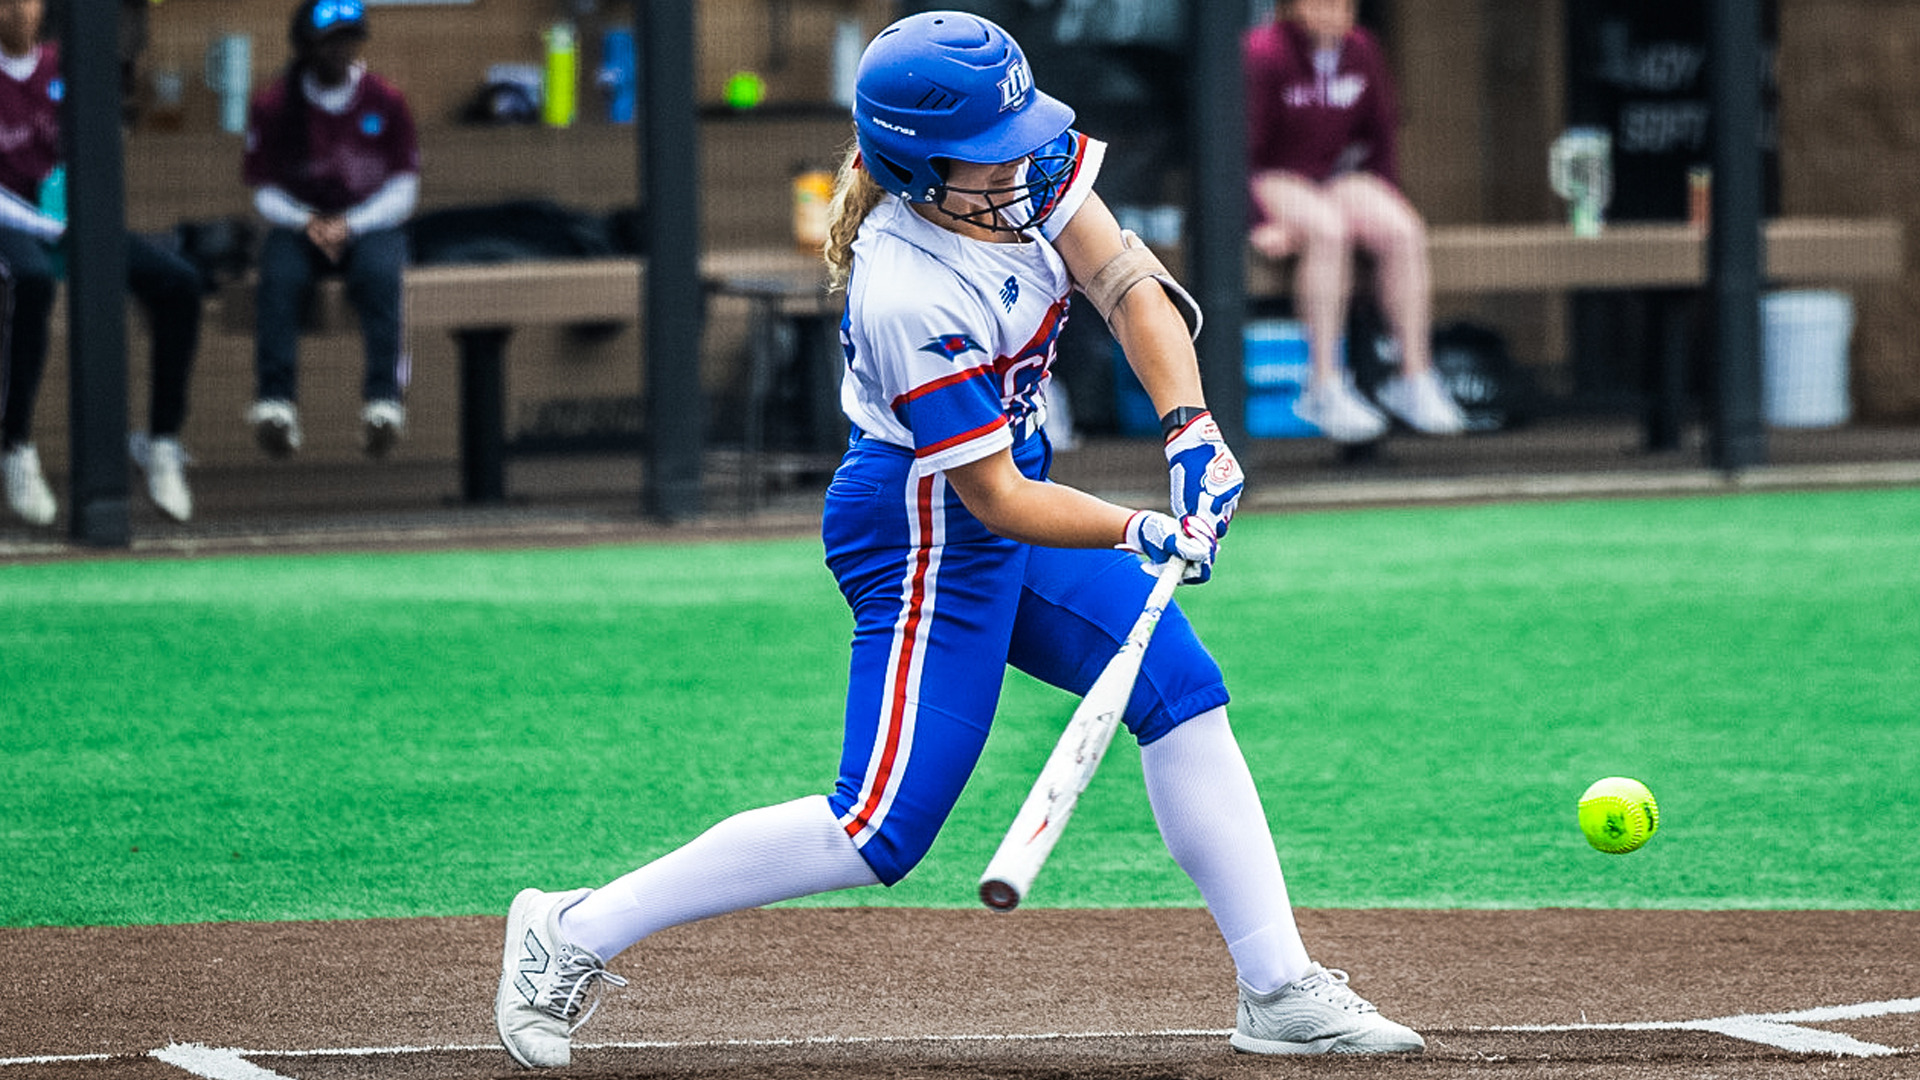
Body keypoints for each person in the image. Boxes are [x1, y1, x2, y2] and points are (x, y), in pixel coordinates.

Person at [492, 11, 1422, 1069]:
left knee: (1181, 691)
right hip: (921, 526)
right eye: (990, 154)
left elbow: (1124, 282)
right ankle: (570, 931)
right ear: (918, 167)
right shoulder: (908, 288)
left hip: (1007, 492)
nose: (1023, 164)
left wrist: (1190, 427)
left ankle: (1278, 987)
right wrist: (1139, 527)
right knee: (876, 828)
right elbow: (990, 502)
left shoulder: (1022, 163)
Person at [0, 0, 201, 525]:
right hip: (15, 227)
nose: (16, 10)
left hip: (76, 225)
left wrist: (79, 217)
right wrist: (46, 225)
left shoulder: (67, 65)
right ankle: (15, 443)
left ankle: (160, 441)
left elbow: (92, 152)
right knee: (31, 281)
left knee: (178, 284)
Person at [1244, 0, 1465, 443]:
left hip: (1335, 176)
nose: (1332, 11)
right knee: (1327, 230)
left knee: (1402, 229)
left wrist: (1382, 198)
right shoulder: (1261, 52)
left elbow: (1380, 139)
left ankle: (1413, 376)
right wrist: (1261, 219)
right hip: (1272, 176)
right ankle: (1324, 383)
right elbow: (1234, 150)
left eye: (1342, 3)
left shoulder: (1362, 48)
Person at [241, 0, 417, 459]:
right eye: (328, 41)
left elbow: (404, 189)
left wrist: (351, 224)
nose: (339, 51)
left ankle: (384, 400)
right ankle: (275, 402)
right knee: (278, 278)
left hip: (368, 220)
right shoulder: (275, 104)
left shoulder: (387, 101)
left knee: (381, 274)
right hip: (300, 222)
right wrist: (308, 222)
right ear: (305, 47)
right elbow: (263, 191)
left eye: (348, 40)